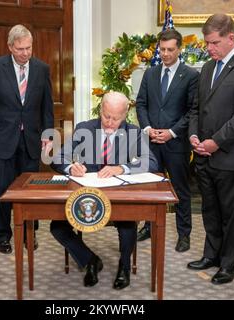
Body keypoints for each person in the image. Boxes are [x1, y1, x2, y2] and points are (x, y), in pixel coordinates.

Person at [50, 92, 158, 290]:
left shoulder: (133, 132)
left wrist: (122, 168)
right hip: (86, 197)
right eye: (106, 116)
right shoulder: (85, 128)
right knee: (57, 227)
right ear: (101, 110)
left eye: (115, 119)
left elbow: (150, 162)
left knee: (128, 224)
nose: (109, 123)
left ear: (125, 116)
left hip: (119, 198)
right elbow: (59, 158)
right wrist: (70, 167)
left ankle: (124, 267)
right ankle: (90, 260)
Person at [187, 14, 234, 284]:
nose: (209, 48)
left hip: (229, 157)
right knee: (210, 209)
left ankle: (229, 265)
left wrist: (216, 142)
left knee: (231, 215)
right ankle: (212, 255)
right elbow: (197, 108)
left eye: (214, 43)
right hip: (203, 154)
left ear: (231, 37)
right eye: (207, 43)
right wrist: (194, 135)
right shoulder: (208, 67)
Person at [0, 24, 54, 254]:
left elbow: (47, 107)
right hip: (0, 139)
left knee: (30, 189)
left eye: (28, 48)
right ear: (10, 47)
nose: (25, 53)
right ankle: (2, 235)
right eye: (20, 49)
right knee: (0, 187)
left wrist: (48, 135)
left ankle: (30, 233)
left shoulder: (41, 69)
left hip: (30, 139)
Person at [135, 29, 199, 252]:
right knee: (150, 187)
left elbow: (192, 111)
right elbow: (141, 103)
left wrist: (172, 132)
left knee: (180, 190)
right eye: (162, 49)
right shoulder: (150, 74)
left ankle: (184, 234)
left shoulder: (191, 76)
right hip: (151, 142)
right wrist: (148, 128)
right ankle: (148, 227)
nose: (165, 54)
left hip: (176, 143)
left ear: (179, 49)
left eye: (170, 50)